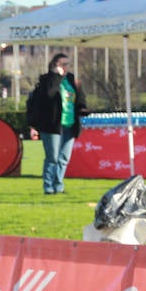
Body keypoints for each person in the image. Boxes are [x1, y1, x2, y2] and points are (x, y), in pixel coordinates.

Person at [25, 53, 87, 195]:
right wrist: (56, 76)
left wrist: (83, 107)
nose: (66, 67)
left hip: (69, 123)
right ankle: (48, 186)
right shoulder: (47, 80)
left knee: (64, 157)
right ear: (54, 66)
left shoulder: (71, 79)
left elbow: (80, 96)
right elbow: (49, 94)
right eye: (62, 64)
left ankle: (58, 185)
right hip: (52, 125)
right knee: (52, 157)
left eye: (67, 64)